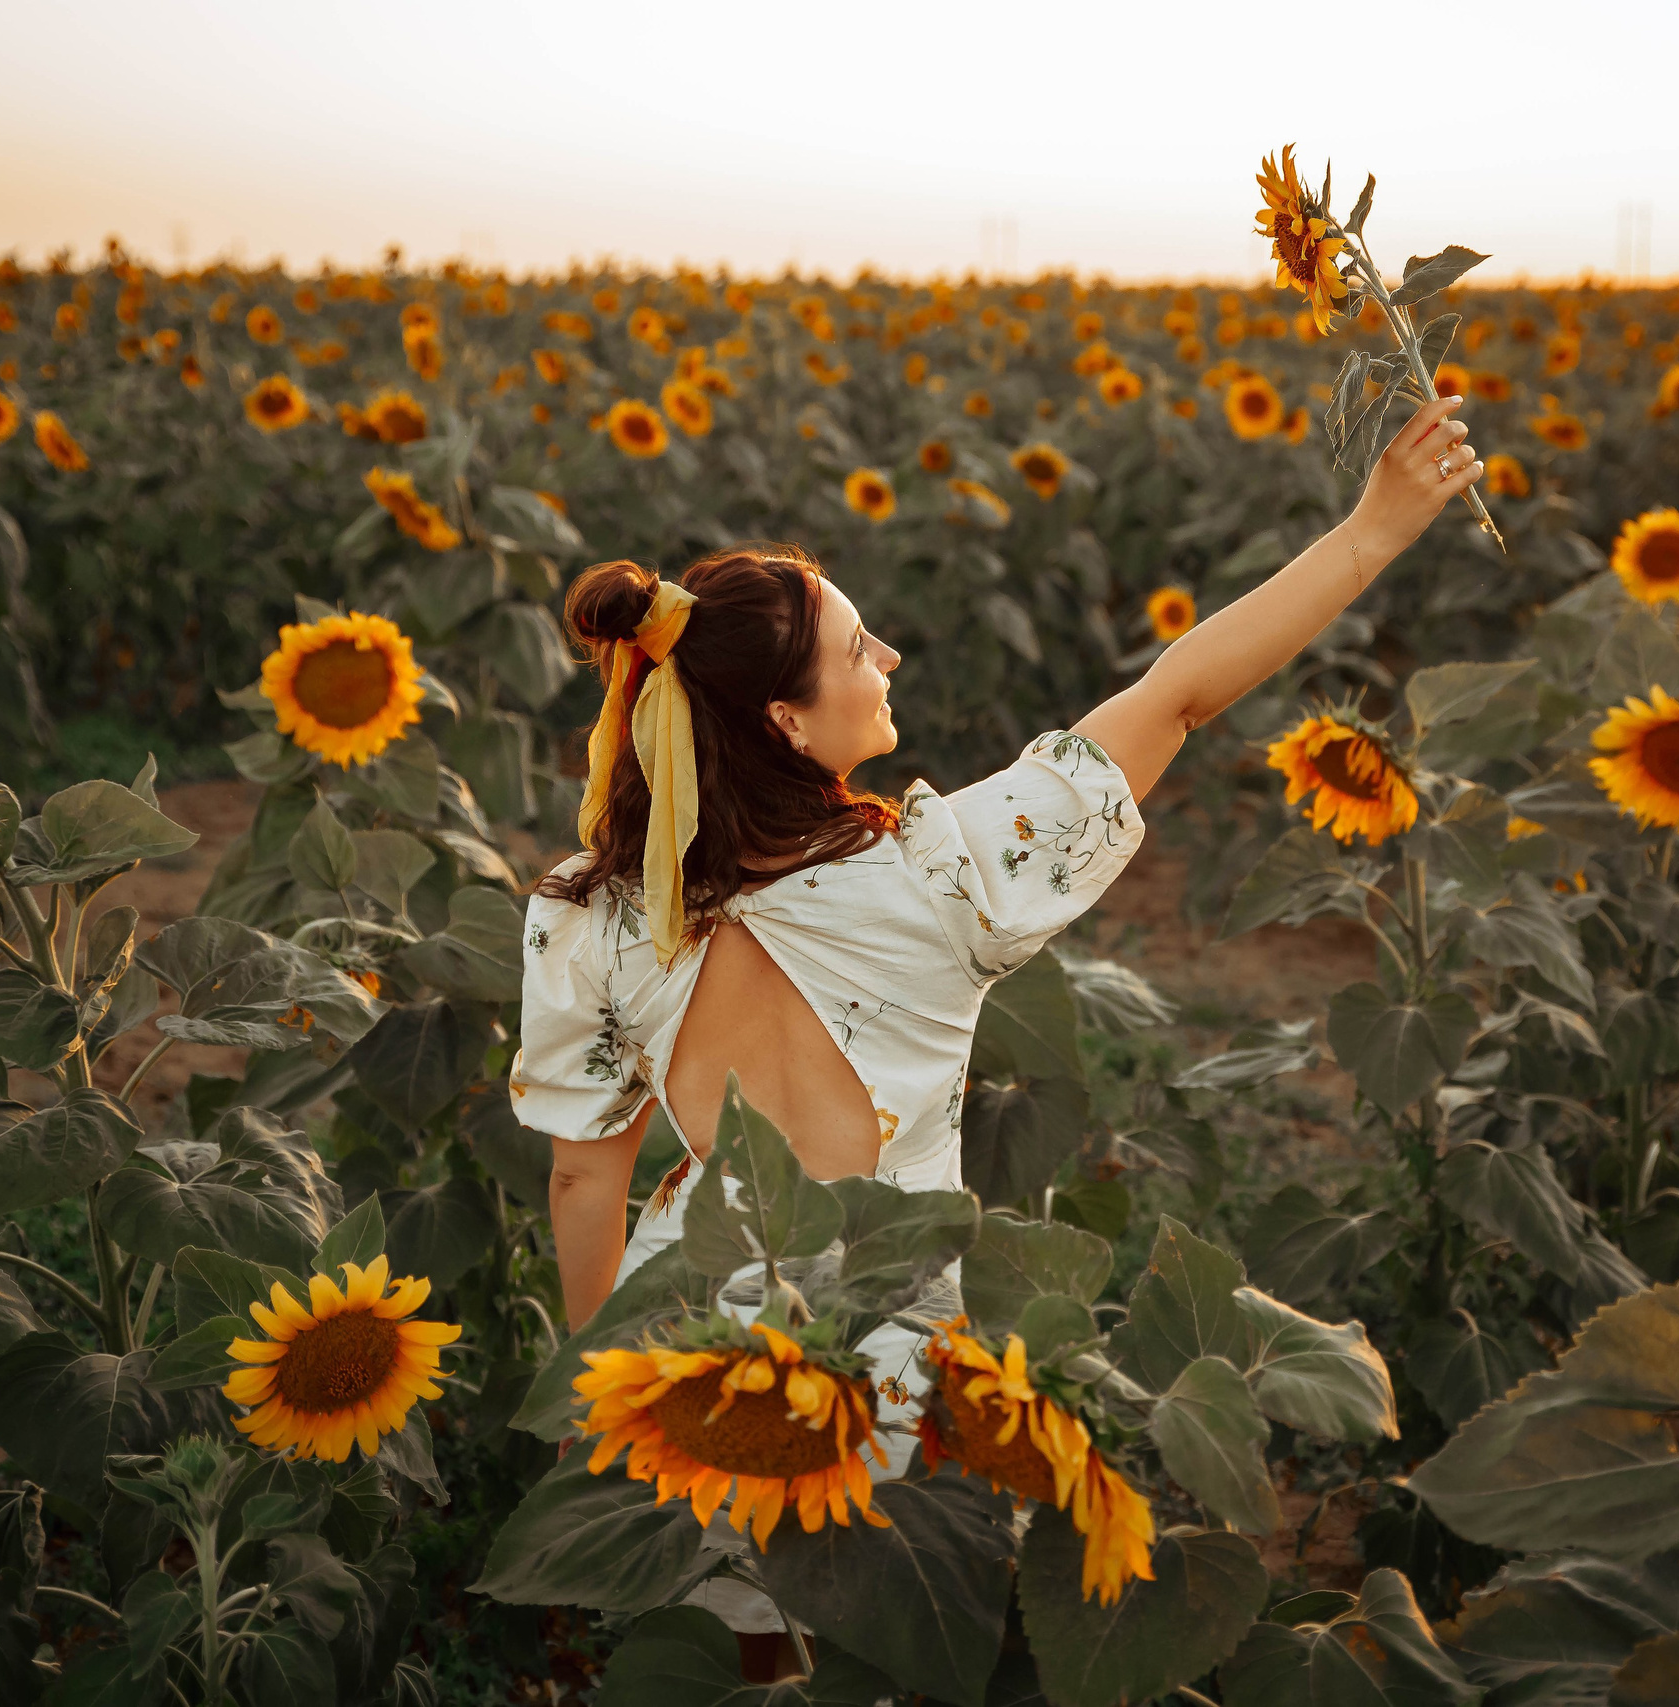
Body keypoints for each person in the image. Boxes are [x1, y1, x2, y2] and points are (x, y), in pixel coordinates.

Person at [511, 394, 1483, 1651]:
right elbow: (1178, 695)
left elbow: (583, 1177)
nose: (889, 661)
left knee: (734, 1649)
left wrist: (608, 1383)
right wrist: (1372, 532)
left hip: (686, 1361)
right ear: (788, 726)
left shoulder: (583, 915)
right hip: (894, 1361)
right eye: (860, 651)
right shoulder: (938, 881)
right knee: (898, 1634)